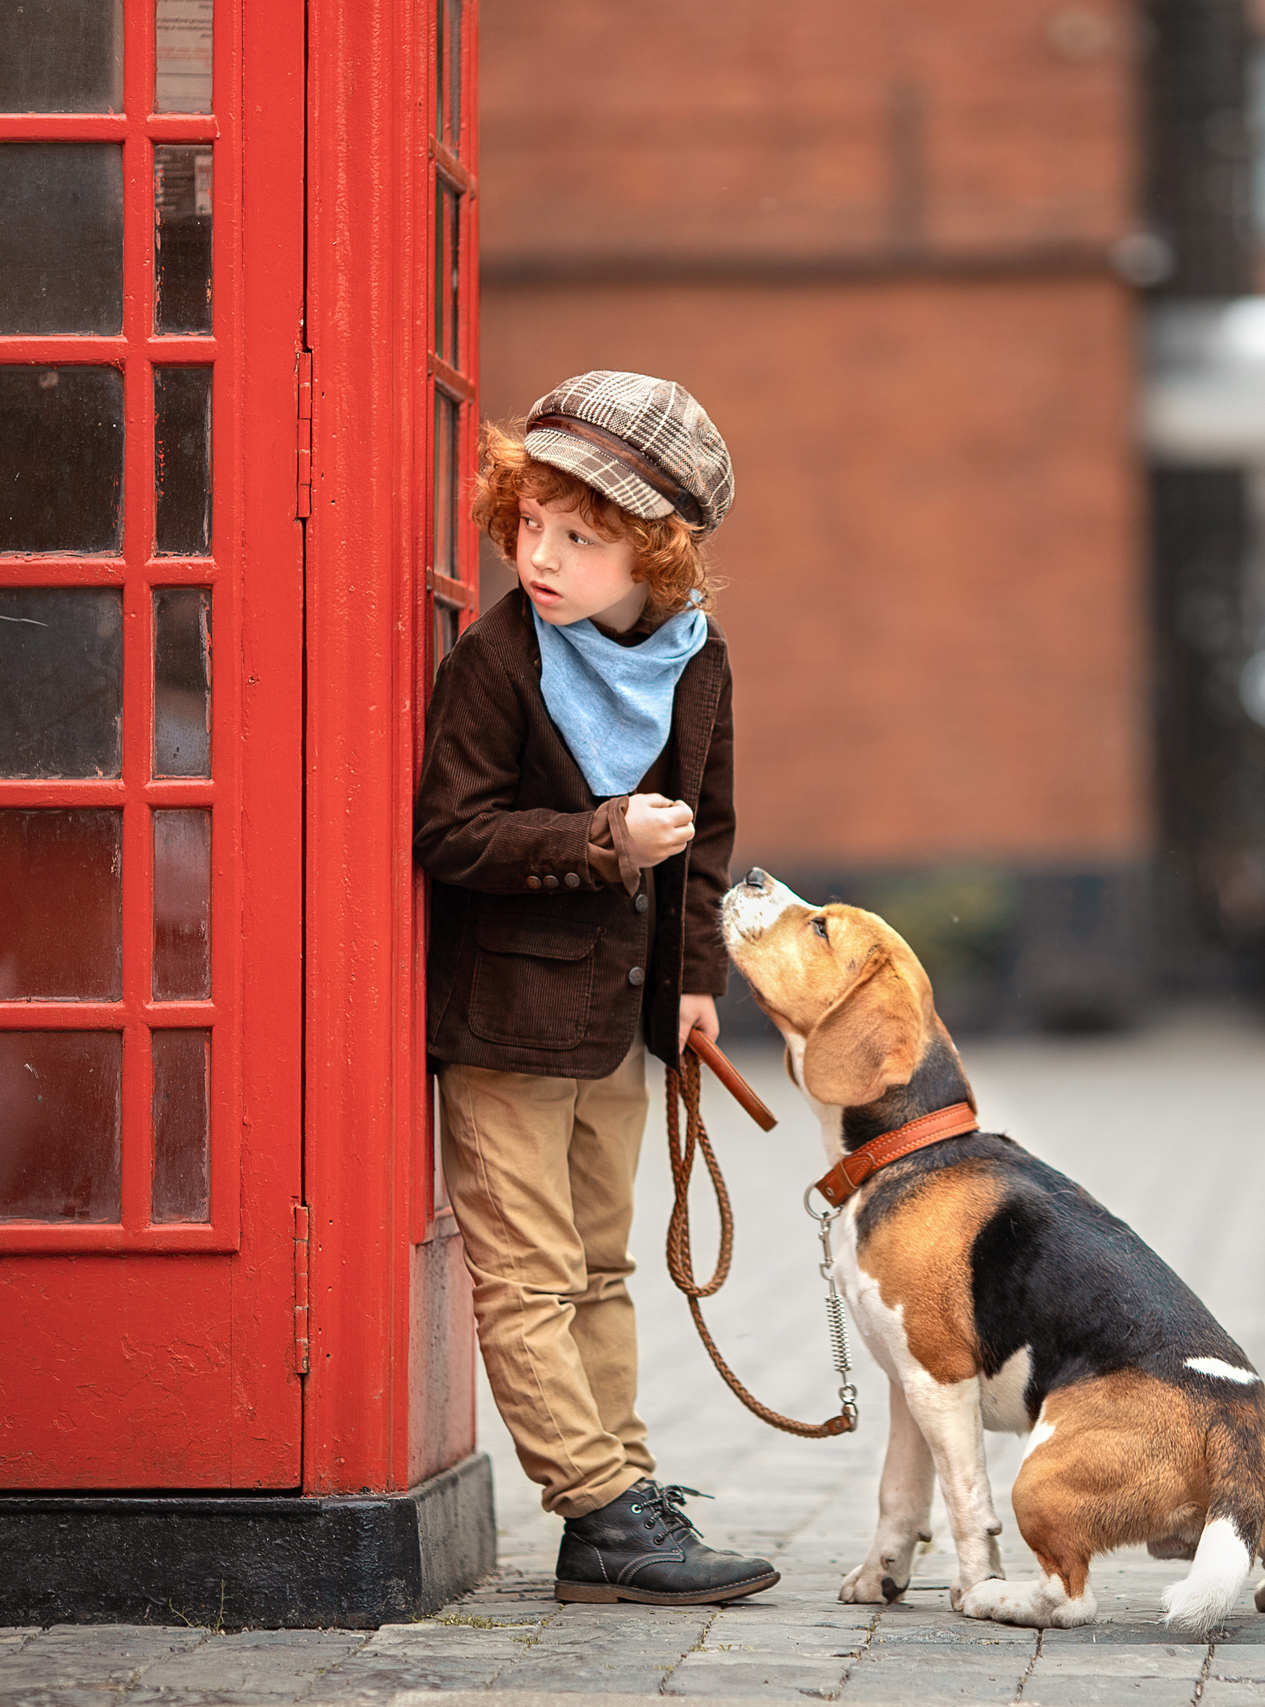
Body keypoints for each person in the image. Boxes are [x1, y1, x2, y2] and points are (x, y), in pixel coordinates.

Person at [414, 372, 776, 1605]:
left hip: (617, 1019)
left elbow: (708, 834)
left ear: (659, 558)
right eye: (529, 524)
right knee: (526, 1274)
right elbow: (452, 835)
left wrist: (689, 983)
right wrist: (598, 839)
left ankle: (619, 1503)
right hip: (505, 1022)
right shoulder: (495, 662)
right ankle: (597, 1503)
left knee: (604, 1268)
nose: (544, 556)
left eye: (583, 536)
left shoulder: (695, 659)